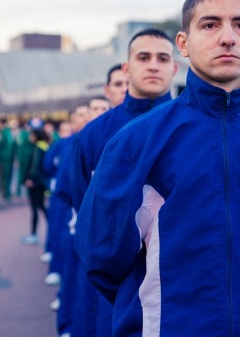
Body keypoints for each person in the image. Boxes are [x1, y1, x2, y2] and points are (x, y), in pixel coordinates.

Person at [74, 0, 240, 336]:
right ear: (184, 43)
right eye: (210, 25)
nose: (228, 37)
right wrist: (154, 307)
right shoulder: (136, 141)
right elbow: (102, 253)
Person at [68, 28, 178, 337]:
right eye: (144, 57)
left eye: (162, 58)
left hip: (181, 276)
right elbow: (85, 204)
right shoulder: (94, 134)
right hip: (119, 280)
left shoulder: (194, 130)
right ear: (127, 68)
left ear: (174, 67)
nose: (153, 65)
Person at [20, 127, 51, 245]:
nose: (29, 137)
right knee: (41, 207)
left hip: (36, 183)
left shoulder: (38, 147)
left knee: (36, 208)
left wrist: (30, 179)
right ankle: (50, 229)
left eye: (31, 135)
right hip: (41, 182)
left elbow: (35, 165)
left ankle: (33, 234)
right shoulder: (45, 145)